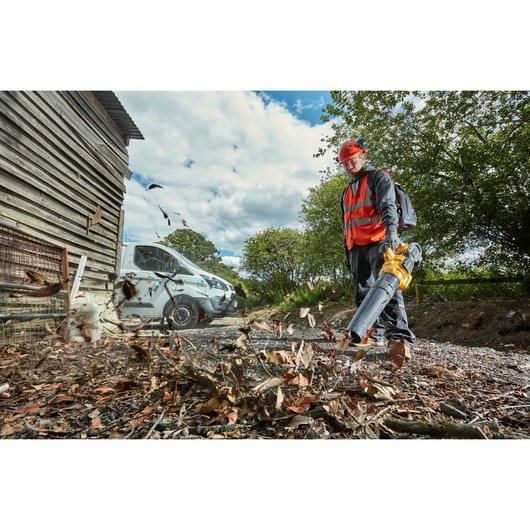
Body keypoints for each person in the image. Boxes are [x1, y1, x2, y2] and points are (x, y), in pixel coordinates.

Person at [339, 138, 414, 360]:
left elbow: (387, 205)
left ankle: (400, 339)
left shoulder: (378, 177)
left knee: (387, 290)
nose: (349, 166)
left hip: (379, 241)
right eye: (345, 163)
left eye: (352, 161)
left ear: (362, 156)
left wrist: (392, 232)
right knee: (362, 293)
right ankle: (372, 334)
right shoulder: (346, 191)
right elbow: (346, 224)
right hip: (355, 247)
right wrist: (347, 250)